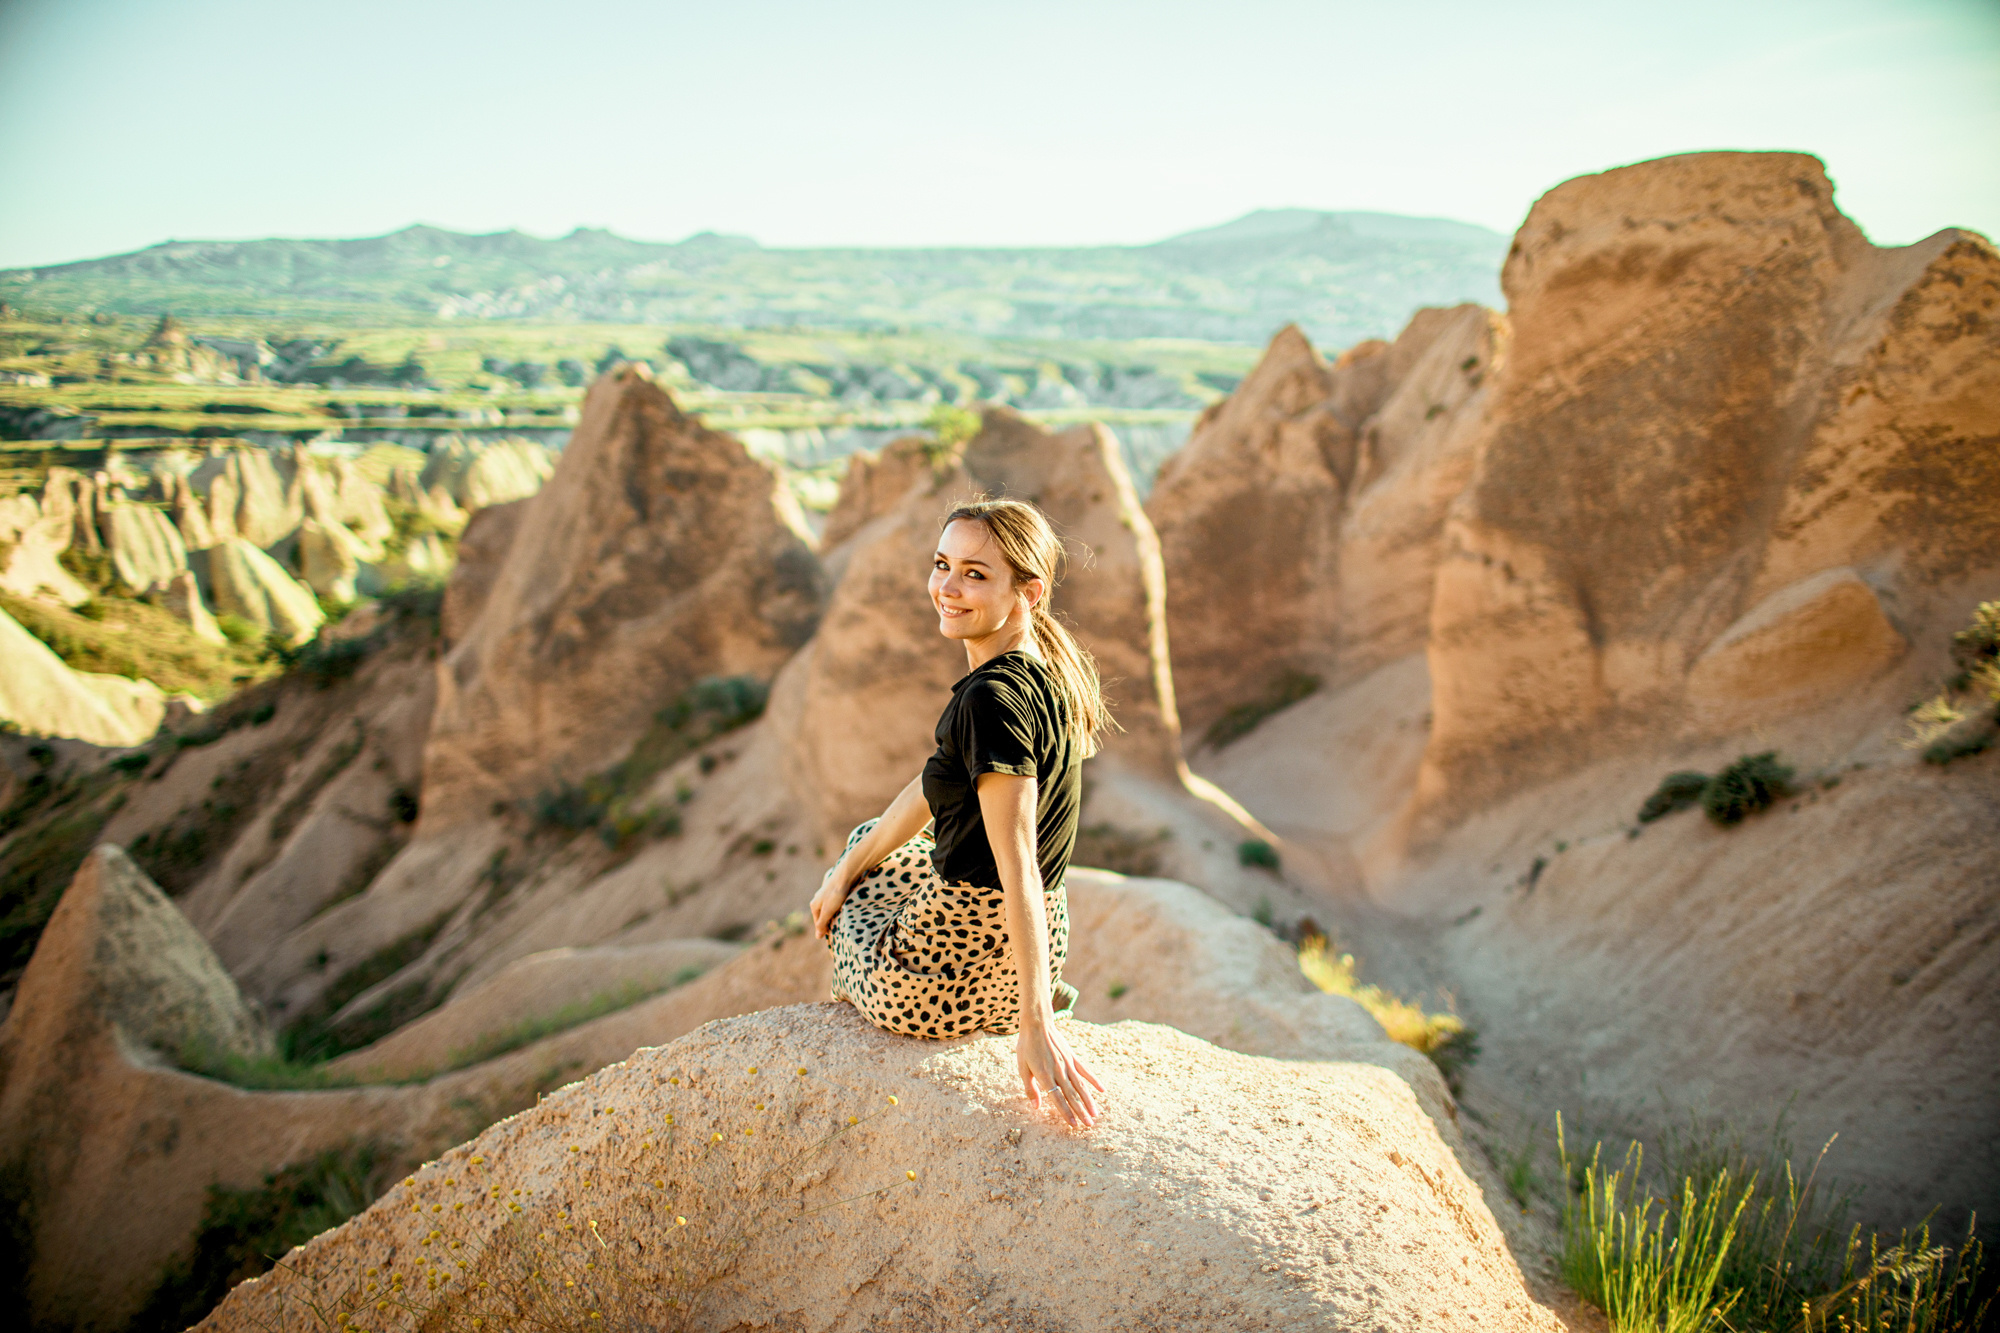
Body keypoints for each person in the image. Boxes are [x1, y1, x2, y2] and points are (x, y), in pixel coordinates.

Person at [810, 498, 1108, 1128]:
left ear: (1027, 590)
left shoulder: (989, 702)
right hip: (1038, 944)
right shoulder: (1048, 668)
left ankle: (994, 1006)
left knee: (851, 922)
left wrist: (1037, 1027)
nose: (946, 587)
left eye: (975, 574)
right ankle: (1023, 994)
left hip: (945, 977)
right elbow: (934, 785)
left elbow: (1017, 861)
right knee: (872, 842)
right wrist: (843, 871)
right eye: (942, 564)